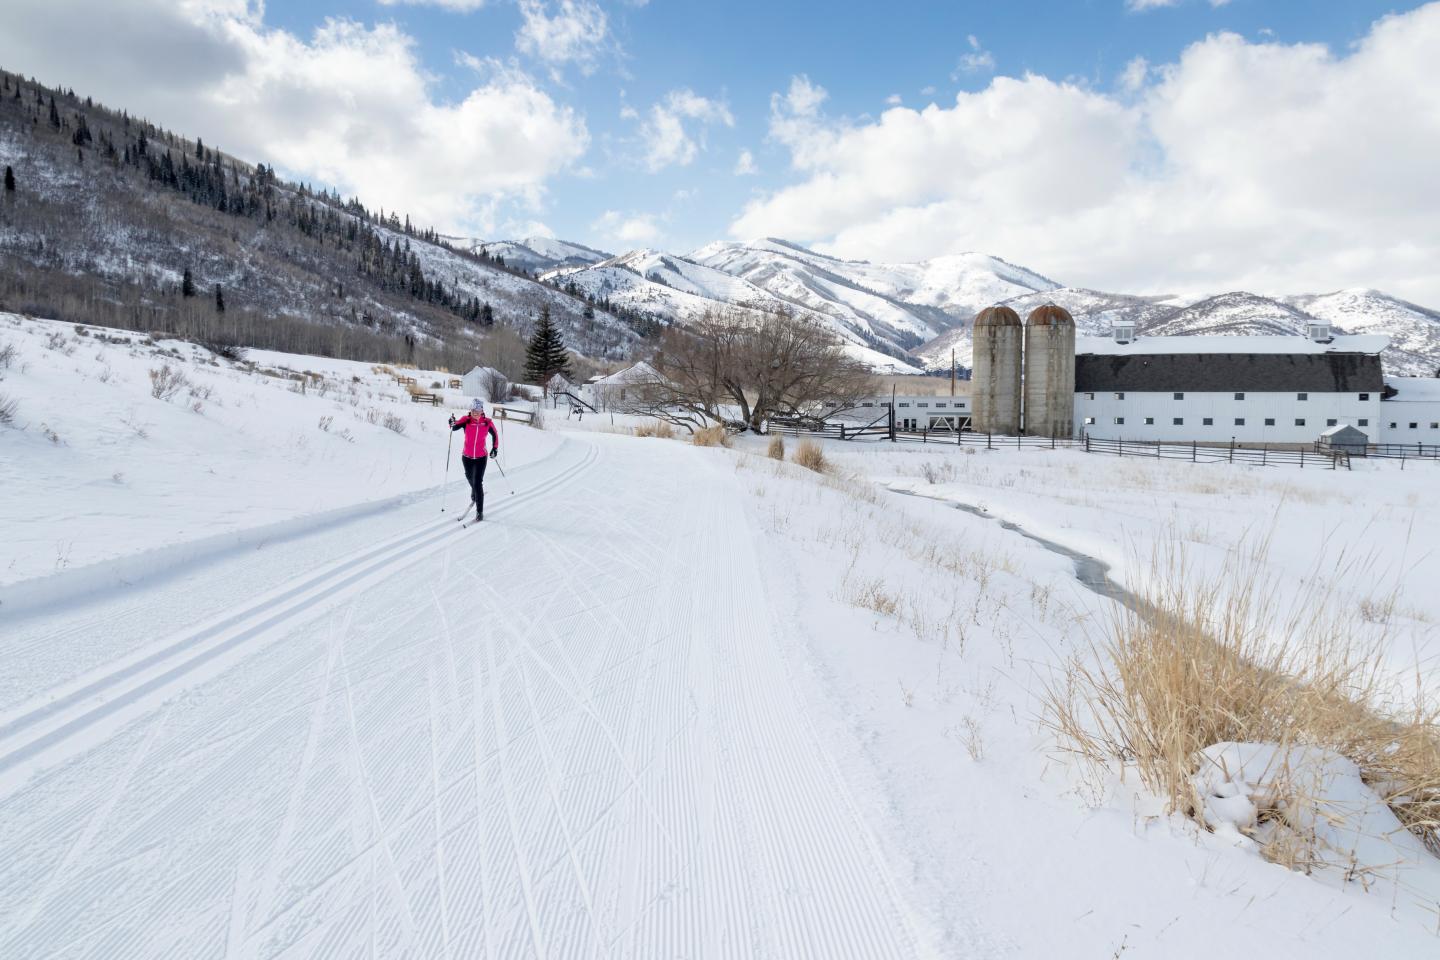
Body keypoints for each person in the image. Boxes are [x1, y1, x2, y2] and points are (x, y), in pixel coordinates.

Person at [449, 399, 500, 521]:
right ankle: (476, 493)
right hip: (466, 457)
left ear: (482, 410)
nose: (475, 413)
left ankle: (479, 512)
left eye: (477, 410)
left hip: (481, 457)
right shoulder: (466, 420)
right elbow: (454, 427)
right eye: (473, 410)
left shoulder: (487, 423)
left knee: (477, 483)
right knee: (469, 477)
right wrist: (451, 422)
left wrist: (495, 449)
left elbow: (495, 434)